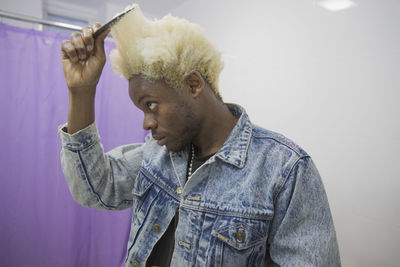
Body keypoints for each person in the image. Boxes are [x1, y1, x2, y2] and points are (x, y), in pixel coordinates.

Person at [59, 6, 341, 267]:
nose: (146, 123)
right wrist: (81, 92)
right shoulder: (159, 153)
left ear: (193, 84)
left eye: (151, 105)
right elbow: (95, 188)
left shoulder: (284, 170)